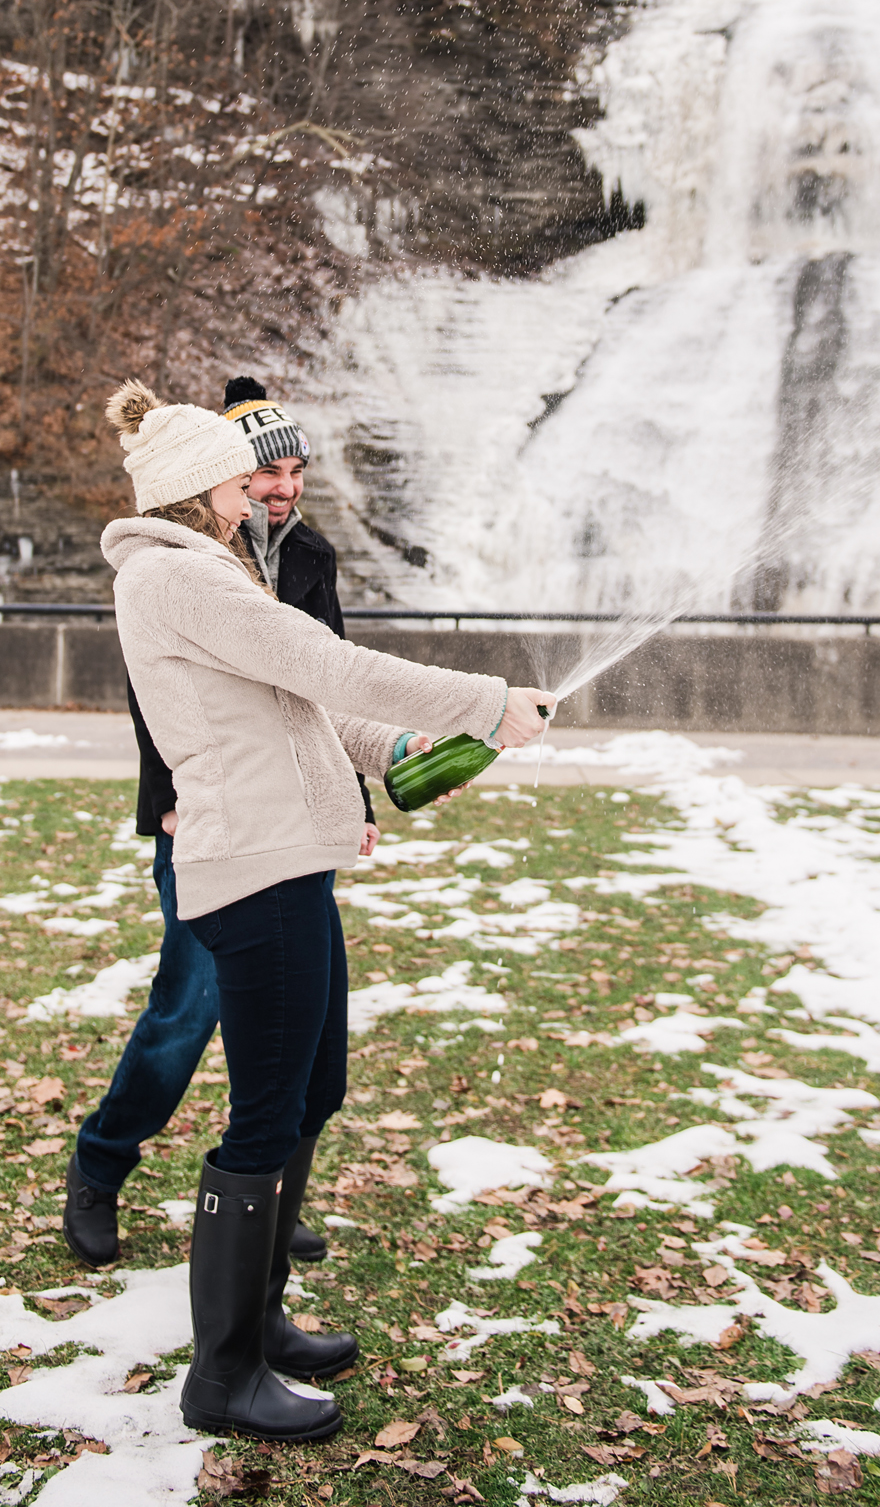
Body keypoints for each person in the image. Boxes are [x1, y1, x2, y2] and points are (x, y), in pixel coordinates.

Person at [100, 377, 553, 1443]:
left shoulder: (212, 569)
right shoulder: (179, 578)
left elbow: (298, 699)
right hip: (251, 865)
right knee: (263, 1110)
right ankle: (223, 1373)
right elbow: (321, 659)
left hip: (291, 857)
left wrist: (389, 749)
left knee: (314, 1085)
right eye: (230, 468)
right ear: (193, 485)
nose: (248, 480)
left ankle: (262, 1320)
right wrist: (485, 700)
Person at [64, 380, 363, 1268]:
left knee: (306, 1027)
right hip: (203, 817)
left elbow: (325, 685)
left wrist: (353, 796)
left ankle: (267, 1207)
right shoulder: (180, 555)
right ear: (224, 478)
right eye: (265, 470)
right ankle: (100, 1164)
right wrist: (172, 797)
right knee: (189, 1010)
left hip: (290, 816)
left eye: (295, 469)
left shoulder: (307, 555)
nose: (282, 487)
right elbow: (156, 693)